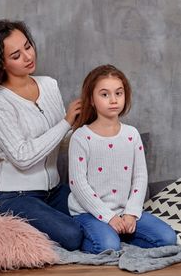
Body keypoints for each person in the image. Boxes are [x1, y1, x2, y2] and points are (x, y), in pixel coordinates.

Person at [0, 19, 83, 251]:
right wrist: (66, 122)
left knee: (99, 217)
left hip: (54, 191)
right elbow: (22, 157)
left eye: (28, 47)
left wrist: (85, 125)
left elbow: (61, 140)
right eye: (16, 55)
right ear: (1, 64)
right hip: (14, 196)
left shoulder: (50, 85)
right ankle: (6, 230)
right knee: (72, 235)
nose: (28, 57)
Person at [68, 64, 177, 254]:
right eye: (104, 94)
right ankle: (102, 236)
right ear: (92, 100)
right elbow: (78, 184)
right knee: (107, 246)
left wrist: (131, 213)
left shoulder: (131, 134)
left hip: (124, 210)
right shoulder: (81, 137)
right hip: (90, 212)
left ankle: (120, 235)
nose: (113, 100)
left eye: (118, 93)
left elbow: (140, 177)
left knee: (168, 239)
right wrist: (109, 217)